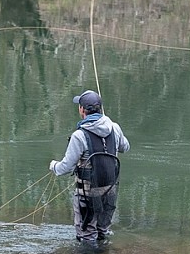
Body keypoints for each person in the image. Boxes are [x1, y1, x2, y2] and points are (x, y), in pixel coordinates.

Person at [49, 90, 130, 243]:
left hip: (88, 193)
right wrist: (112, 128)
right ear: (100, 108)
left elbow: (65, 168)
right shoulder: (114, 127)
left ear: (82, 110)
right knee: (102, 232)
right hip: (110, 190)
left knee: (86, 237)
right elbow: (125, 147)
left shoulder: (79, 136)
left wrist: (53, 166)